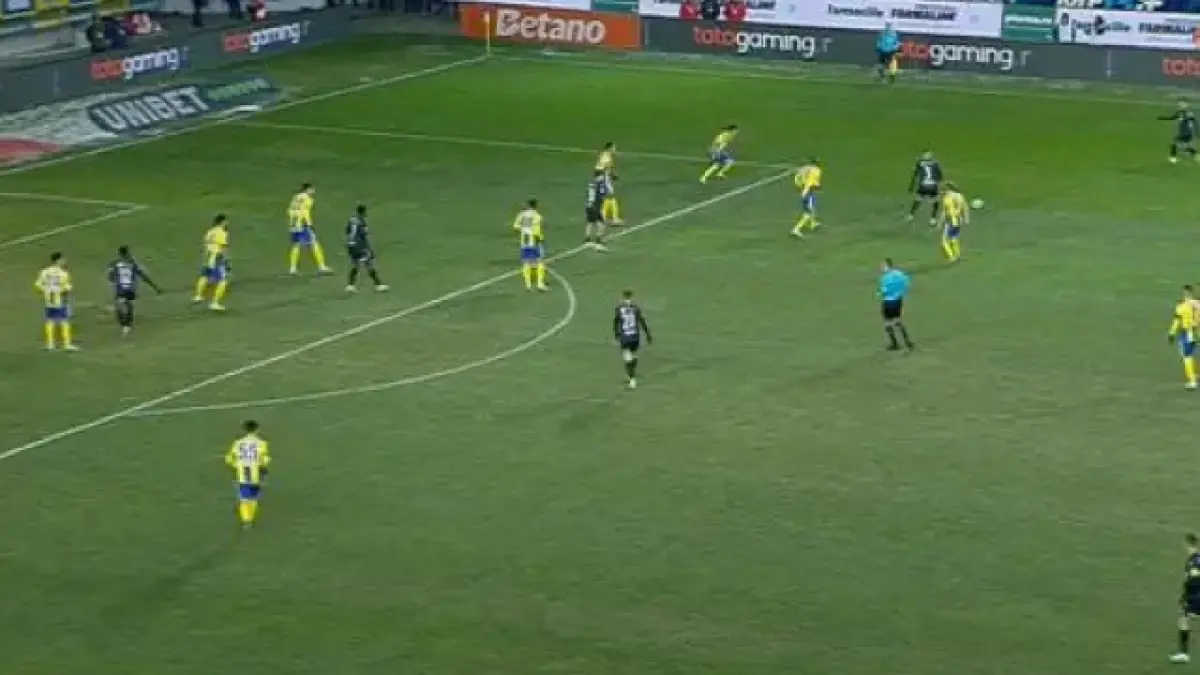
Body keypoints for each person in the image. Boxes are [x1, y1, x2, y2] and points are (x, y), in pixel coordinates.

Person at [107, 245, 161, 336]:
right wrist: (155, 287)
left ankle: (125, 325)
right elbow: (143, 276)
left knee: (121, 306)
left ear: (119, 254)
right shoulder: (132, 263)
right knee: (128, 306)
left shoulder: (115, 264)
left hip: (121, 290)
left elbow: (110, 276)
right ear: (127, 253)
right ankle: (127, 325)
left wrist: (113, 280)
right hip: (130, 290)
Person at [225, 420, 270, 528]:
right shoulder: (262, 443)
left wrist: (236, 465)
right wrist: (263, 469)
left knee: (244, 498)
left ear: (245, 430)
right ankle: (249, 519)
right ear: (257, 429)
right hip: (255, 473)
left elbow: (228, 458)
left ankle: (246, 519)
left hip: (242, 473)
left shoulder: (237, 443)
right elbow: (265, 460)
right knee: (253, 497)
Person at [34, 252, 77, 351]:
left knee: (50, 321)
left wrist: (46, 290)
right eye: (62, 260)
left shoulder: (44, 272)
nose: (64, 261)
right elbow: (66, 287)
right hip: (60, 299)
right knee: (64, 321)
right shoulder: (63, 274)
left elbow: (37, 284)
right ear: (58, 261)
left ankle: (50, 344)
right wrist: (67, 289)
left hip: (49, 300)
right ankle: (67, 344)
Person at [287, 183, 331, 275]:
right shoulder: (308, 199)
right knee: (314, 243)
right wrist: (309, 224)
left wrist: (292, 221)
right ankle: (322, 267)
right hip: (303, 225)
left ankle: (292, 268)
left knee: (296, 245)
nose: (313, 191)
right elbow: (304, 212)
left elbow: (289, 210)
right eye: (312, 189)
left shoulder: (295, 197)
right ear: (307, 189)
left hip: (293, 225)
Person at [613, 290, 652, 389]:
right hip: (635, 337)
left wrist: (616, 334)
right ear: (632, 297)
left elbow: (616, 322)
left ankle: (632, 380)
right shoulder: (636, 308)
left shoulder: (619, 308)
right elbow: (642, 322)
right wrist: (648, 334)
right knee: (633, 356)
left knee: (627, 358)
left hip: (625, 337)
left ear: (623, 298)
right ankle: (630, 372)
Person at [345, 205, 388, 292]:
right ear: (363, 212)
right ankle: (378, 285)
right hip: (359, 246)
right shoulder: (362, 222)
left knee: (355, 265)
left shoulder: (351, 220)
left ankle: (350, 285)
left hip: (350, 245)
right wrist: (369, 249)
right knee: (369, 264)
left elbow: (347, 231)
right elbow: (364, 235)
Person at [1172, 533, 1200, 663]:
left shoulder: (1194, 561)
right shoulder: (1195, 559)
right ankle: (1183, 653)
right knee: (1183, 617)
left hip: (1196, 597)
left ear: (1190, 545)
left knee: (1183, 617)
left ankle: (1184, 653)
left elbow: (1194, 580)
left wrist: (1187, 597)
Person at [193, 214, 230, 311]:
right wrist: (225, 260)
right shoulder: (221, 232)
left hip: (208, 256)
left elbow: (206, 244)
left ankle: (198, 296)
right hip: (217, 258)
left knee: (204, 276)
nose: (227, 223)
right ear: (222, 222)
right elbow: (222, 248)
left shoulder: (210, 231)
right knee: (223, 281)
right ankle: (215, 303)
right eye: (226, 221)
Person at [878, 258, 914, 352]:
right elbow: (907, 283)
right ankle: (907, 342)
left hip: (888, 302)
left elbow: (884, 291)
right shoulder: (899, 273)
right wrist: (902, 292)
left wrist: (880, 294)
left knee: (887, 323)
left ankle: (894, 344)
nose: (881, 268)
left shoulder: (885, 278)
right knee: (898, 321)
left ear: (888, 266)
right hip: (898, 300)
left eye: (883, 266)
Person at [1167, 285, 1199, 390]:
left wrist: (1171, 333)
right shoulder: (1198, 304)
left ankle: (1192, 381)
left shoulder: (1182, 307)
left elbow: (1177, 321)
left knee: (1187, 356)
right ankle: (1195, 373)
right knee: (1193, 353)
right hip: (1198, 331)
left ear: (1185, 294)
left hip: (1188, 333)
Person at [514, 199, 547, 291]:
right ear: (536, 206)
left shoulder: (521, 215)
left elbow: (515, 226)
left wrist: (523, 229)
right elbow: (536, 230)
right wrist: (540, 238)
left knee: (526, 262)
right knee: (540, 261)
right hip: (534, 241)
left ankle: (527, 285)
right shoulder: (537, 216)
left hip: (524, 242)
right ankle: (540, 284)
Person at [937, 183, 969, 262]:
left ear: (946, 190)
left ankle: (951, 257)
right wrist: (966, 218)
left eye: (941, 191)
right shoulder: (959, 196)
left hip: (951, 221)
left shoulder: (947, 198)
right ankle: (957, 255)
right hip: (958, 220)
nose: (940, 193)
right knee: (954, 238)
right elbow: (965, 207)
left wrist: (940, 222)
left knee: (944, 241)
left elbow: (945, 212)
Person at [791, 159, 822, 238]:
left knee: (812, 207)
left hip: (804, 189)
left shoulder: (804, 168)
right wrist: (805, 191)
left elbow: (797, 178)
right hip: (809, 192)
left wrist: (800, 186)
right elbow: (810, 182)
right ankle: (796, 229)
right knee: (808, 212)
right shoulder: (816, 171)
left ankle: (813, 223)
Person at [595, 142, 622, 225]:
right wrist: (614, 175)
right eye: (614, 147)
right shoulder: (607, 157)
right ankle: (614, 219)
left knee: (607, 197)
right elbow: (608, 168)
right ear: (609, 148)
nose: (615, 149)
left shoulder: (605, 155)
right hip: (603, 177)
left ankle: (602, 216)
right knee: (611, 196)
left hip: (601, 177)